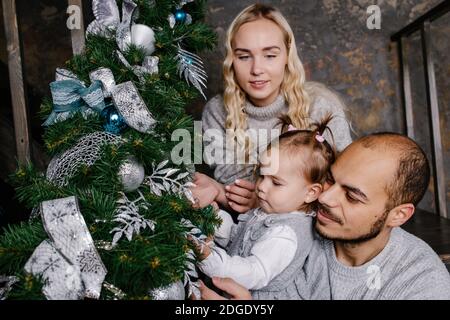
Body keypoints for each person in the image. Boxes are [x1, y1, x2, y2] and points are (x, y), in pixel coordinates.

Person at [199, 133, 450, 300]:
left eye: (352, 196)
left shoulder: (422, 282)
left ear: (398, 215)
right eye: (329, 180)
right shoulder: (296, 231)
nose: (326, 198)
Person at [191, 3, 352, 214]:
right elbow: (234, 185)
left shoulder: (321, 106)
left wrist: (263, 200)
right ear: (231, 62)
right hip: (249, 227)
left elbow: (345, 186)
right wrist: (231, 192)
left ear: (287, 57)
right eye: (244, 56)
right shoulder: (217, 111)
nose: (257, 69)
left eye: (270, 55)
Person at [193, 118, 335, 299]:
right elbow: (239, 238)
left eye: (276, 182)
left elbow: (253, 273)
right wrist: (215, 219)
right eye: (262, 175)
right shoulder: (271, 211)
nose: (261, 186)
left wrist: (209, 258)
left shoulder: (285, 234)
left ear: (311, 193)